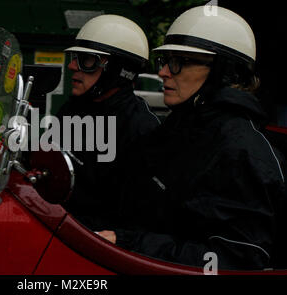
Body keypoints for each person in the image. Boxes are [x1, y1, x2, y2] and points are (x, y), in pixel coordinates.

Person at [97, 6, 287, 270]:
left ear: (224, 71)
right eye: (165, 61)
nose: (164, 72)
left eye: (179, 62)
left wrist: (130, 242)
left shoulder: (242, 152)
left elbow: (234, 261)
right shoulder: (178, 127)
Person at [57, 15, 160, 232]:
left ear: (117, 70)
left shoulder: (141, 129)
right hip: (57, 225)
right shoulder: (72, 110)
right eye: (76, 57)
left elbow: (139, 217)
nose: (72, 66)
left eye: (87, 60)